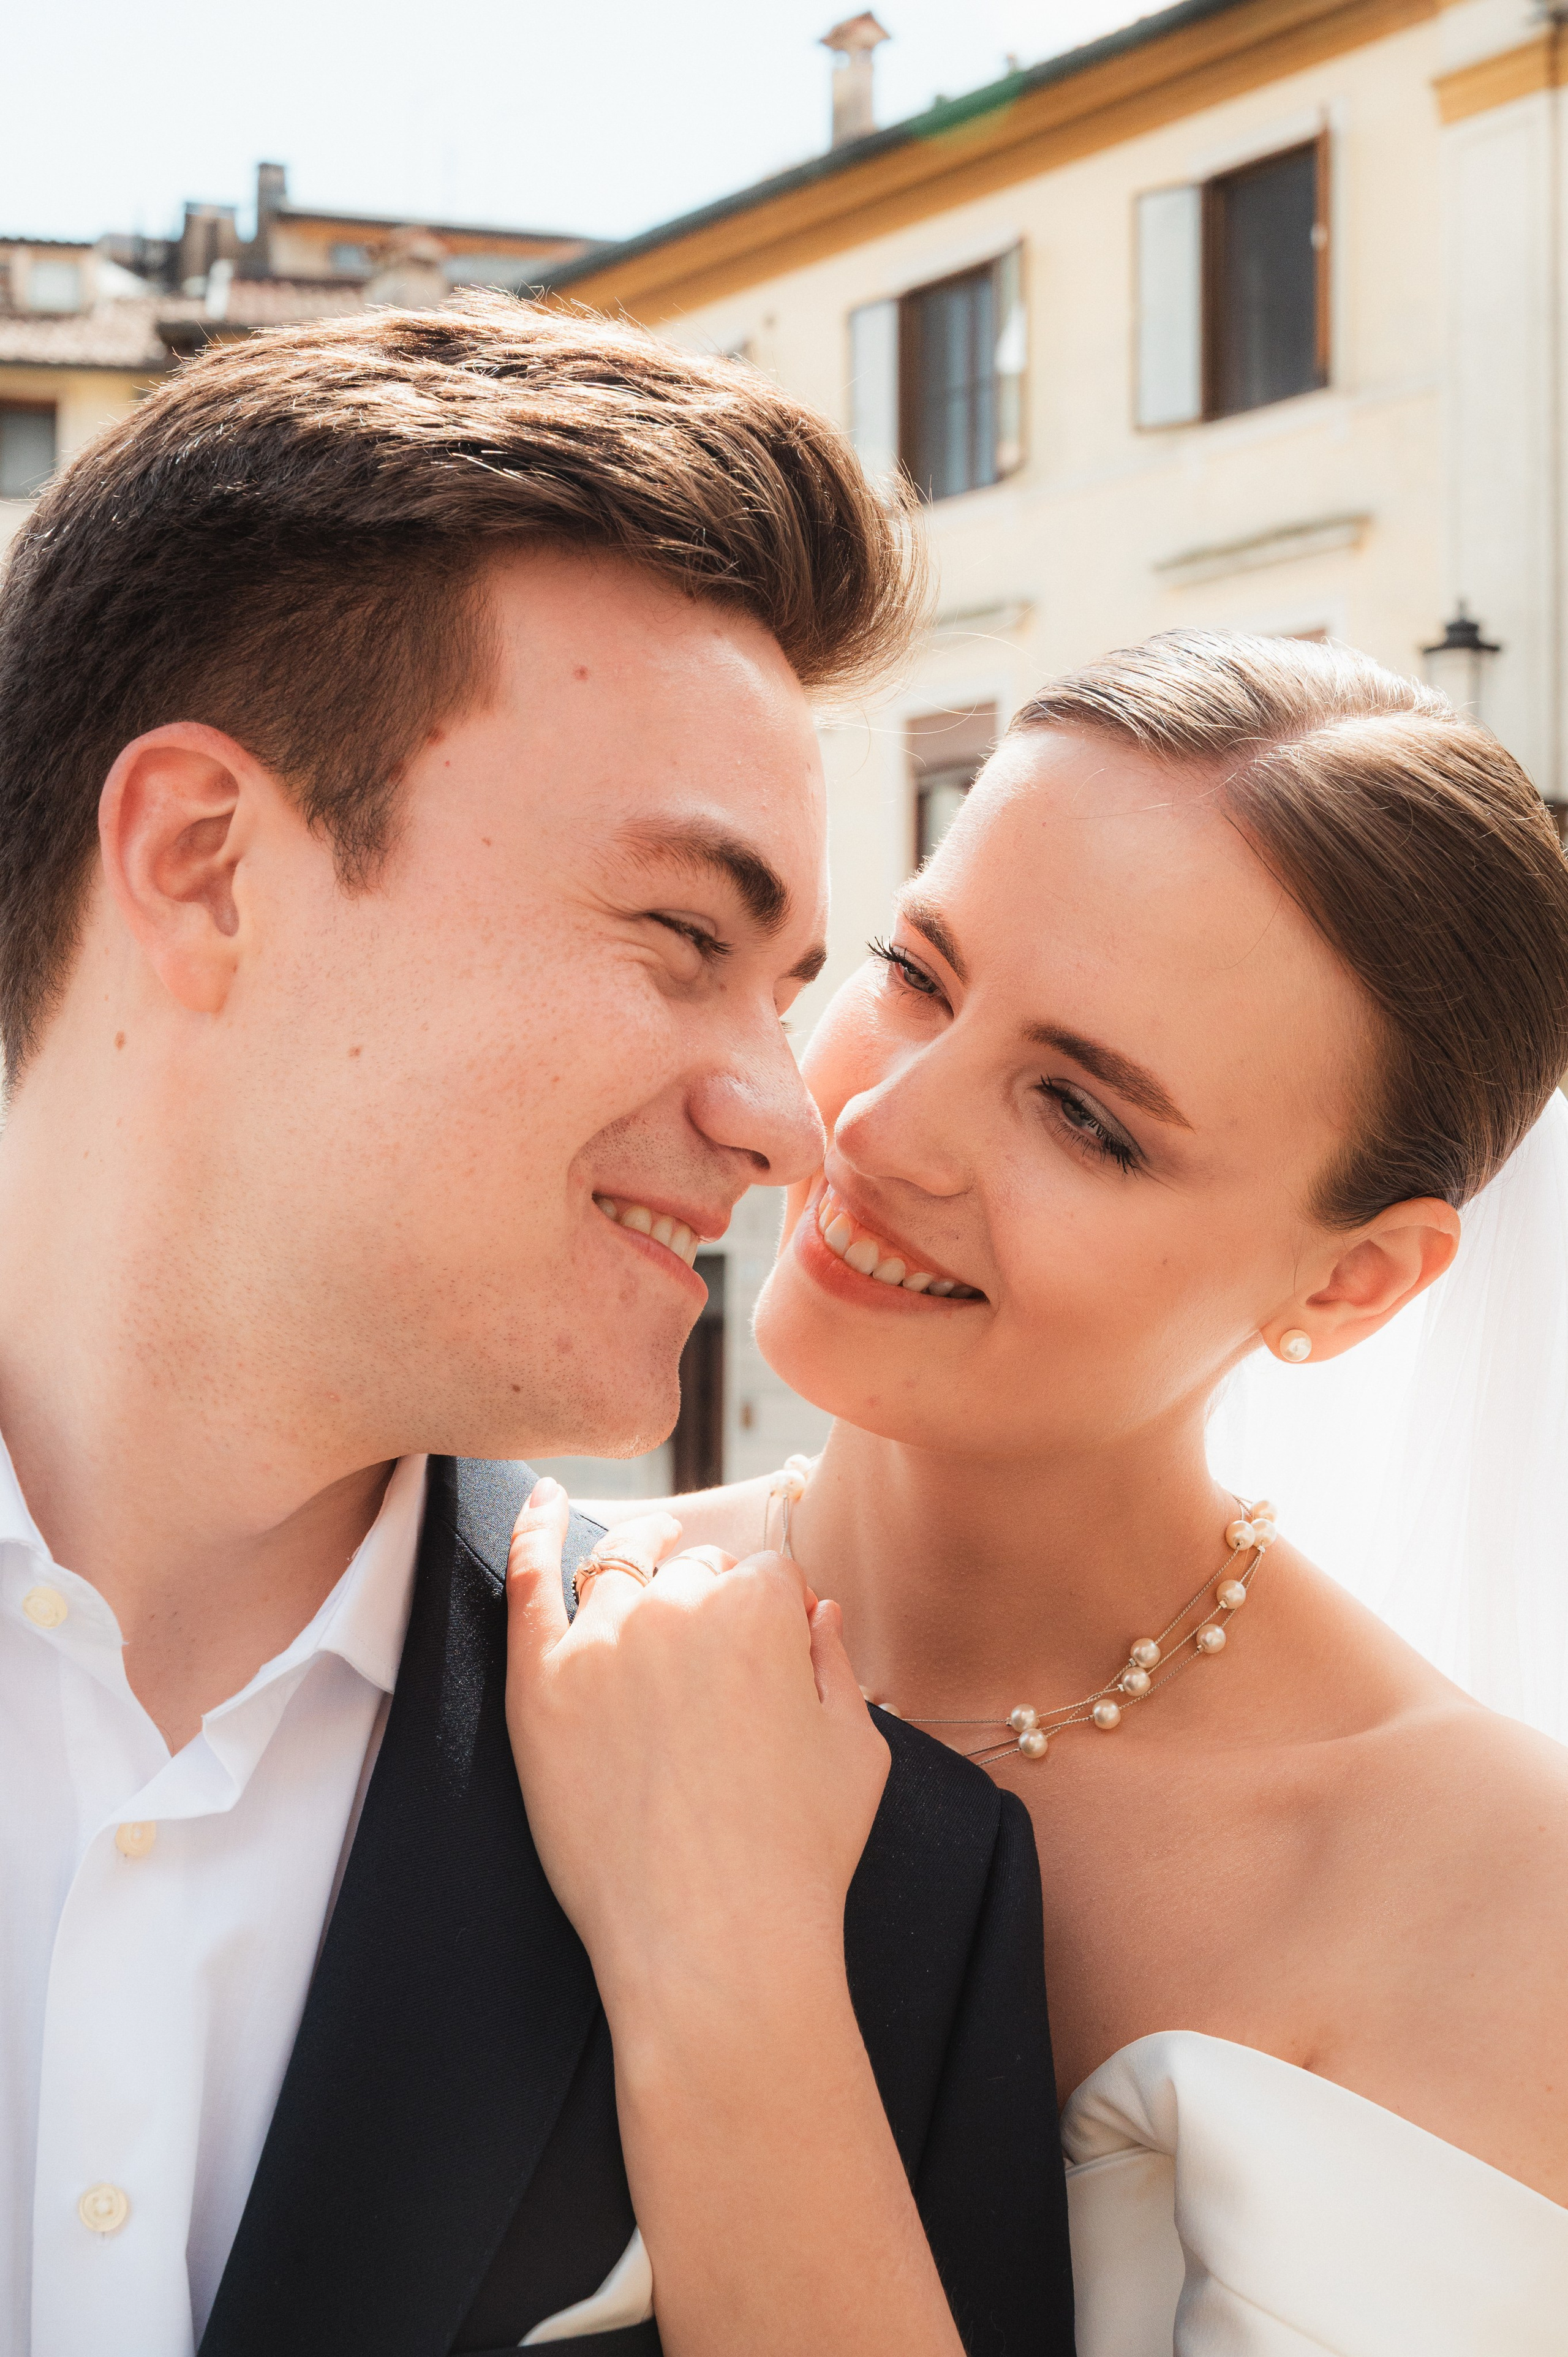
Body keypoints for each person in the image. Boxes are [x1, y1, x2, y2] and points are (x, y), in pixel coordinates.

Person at [0, 298, 1072, 2357]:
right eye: (684, 935)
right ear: (208, 863)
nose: (788, 1123)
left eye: (783, 985)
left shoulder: (889, 1889)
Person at [518, 632, 1568, 2356]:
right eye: (917, 975)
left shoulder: (1493, 1907)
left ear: (1355, 1284)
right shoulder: (524, 1611)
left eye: (1083, 1114)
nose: (878, 1128)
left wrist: (731, 1965)